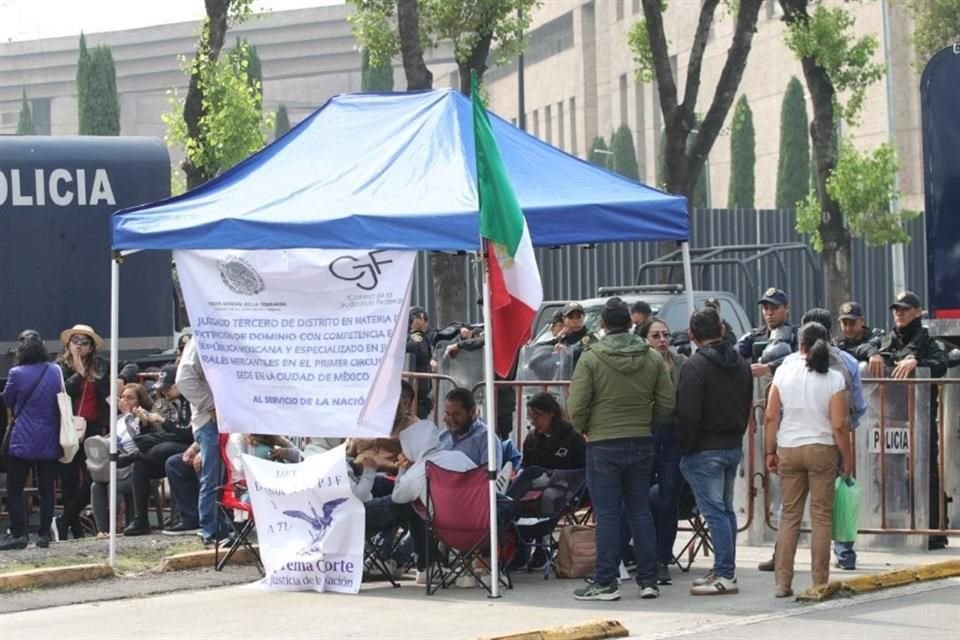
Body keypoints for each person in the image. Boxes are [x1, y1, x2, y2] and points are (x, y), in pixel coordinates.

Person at [568, 297, 675, 601]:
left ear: (602, 324)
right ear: (631, 323)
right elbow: (667, 403)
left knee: (608, 514)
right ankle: (649, 580)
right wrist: (645, 420)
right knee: (640, 510)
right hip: (642, 440)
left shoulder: (590, 358)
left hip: (602, 444)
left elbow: (577, 406)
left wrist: (586, 428)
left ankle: (606, 582)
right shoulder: (652, 357)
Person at [764, 322, 853, 598]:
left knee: (789, 516)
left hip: (789, 448)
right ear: (825, 342)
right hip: (822, 449)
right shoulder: (833, 378)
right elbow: (839, 424)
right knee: (821, 517)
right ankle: (819, 581)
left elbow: (770, 415)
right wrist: (847, 457)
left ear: (798, 343)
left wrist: (770, 450)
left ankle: (782, 582)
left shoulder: (783, 371)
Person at [675, 308, 752, 595]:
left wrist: (686, 447)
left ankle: (725, 573)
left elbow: (688, 414)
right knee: (725, 511)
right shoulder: (741, 363)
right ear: (721, 330)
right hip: (731, 445)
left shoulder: (694, 366)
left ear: (692, 335)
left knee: (716, 513)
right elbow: (746, 406)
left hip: (705, 449)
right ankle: (724, 568)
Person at [869, 291, 949, 549]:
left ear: (918, 312)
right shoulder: (887, 339)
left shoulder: (926, 340)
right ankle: (893, 527)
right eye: (896, 309)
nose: (899, 313)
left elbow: (942, 363)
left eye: (904, 309)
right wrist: (873, 354)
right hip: (891, 418)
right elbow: (865, 347)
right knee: (888, 473)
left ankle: (933, 531)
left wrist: (918, 361)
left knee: (925, 472)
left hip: (920, 418)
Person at [638, 317, 687, 585]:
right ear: (645, 339)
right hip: (644, 433)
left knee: (669, 500)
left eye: (665, 335)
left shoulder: (680, 363)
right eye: (655, 335)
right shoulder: (638, 364)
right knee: (639, 499)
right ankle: (642, 555)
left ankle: (662, 560)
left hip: (672, 436)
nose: (662, 340)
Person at [1, 332, 61, 550]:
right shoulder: (55, 370)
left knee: (15, 486)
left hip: (23, 439)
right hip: (50, 437)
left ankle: (19, 534)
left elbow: (8, 399)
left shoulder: (16, 373)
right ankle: (44, 535)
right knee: (47, 488)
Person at [55, 324, 113, 540]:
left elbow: (107, 389)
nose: (79, 345)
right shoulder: (60, 366)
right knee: (68, 477)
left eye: (84, 342)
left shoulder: (100, 366)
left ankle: (66, 518)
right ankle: (74, 528)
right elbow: (64, 392)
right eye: (75, 341)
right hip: (68, 426)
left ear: (91, 347)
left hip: (93, 425)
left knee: (93, 475)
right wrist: (78, 374)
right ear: (68, 344)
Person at [122, 374, 194, 536]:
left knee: (161, 451)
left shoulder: (190, 400)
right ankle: (140, 519)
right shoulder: (168, 402)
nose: (164, 391)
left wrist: (162, 421)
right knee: (142, 464)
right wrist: (146, 423)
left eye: (167, 387)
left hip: (192, 444)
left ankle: (134, 456)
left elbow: (188, 432)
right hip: (171, 442)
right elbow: (162, 434)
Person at [176, 338, 231, 545]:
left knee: (219, 476)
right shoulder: (200, 339)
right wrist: (211, 406)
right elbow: (184, 379)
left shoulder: (209, 337)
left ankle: (220, 527)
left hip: (217, 420)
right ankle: (212, 530)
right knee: (213, 477)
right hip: (210, 420)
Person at [93, 384, 151, 536]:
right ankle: (103, 530)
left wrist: (128, 415)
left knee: (113, 486)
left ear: (139, 401)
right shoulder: (118, 419)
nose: (124, 400)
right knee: (96, 485)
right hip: (118, 465)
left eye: (130, 398)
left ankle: (117, 527)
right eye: (123, 397)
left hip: (136, 465)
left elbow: (138, 439)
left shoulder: (143, 418)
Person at [736, 288, 797, 378]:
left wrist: (769, 367)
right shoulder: (755, 335)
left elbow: (800, 358)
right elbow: (734, 352)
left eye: (775, 308)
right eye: (766, 308)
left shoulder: (797, 335)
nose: (769, 313)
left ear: (787, 308)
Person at [439, 387, 503, 469]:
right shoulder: (442, 436)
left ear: (472, 411)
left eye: (457, 414)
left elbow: (488, 478)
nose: (451, 420)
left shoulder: (488, 440)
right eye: (448, 414)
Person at [520, 392, 586, 470]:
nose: (533, 422)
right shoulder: (530, 440)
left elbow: (582, 471)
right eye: (530, 417)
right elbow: (525, 468)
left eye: (537, 416)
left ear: (551, 413)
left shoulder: (573, 439)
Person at [407, 307, 434, 419]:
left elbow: (420, 349)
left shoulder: (415, 336)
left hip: (418, 394)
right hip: (414, 393)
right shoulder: (413, 336)